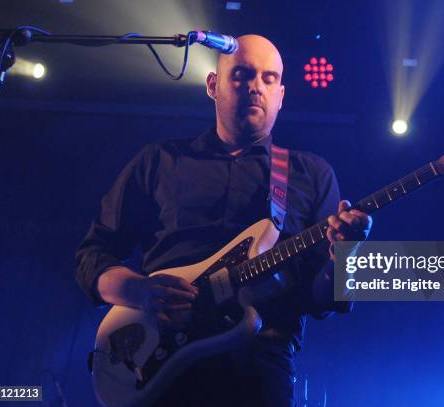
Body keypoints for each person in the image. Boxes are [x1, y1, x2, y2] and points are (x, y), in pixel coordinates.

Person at [75, 34, 372, 407]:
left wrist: (344, 254)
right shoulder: (160, 161)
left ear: (281, 94)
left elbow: (321, 300)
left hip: (258, 366)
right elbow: (92, 256)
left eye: (268, 78)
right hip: (158, 361)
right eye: (243, 74)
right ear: (213, 85)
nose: (254, 87)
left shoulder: (310, 174)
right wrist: (140, 292)